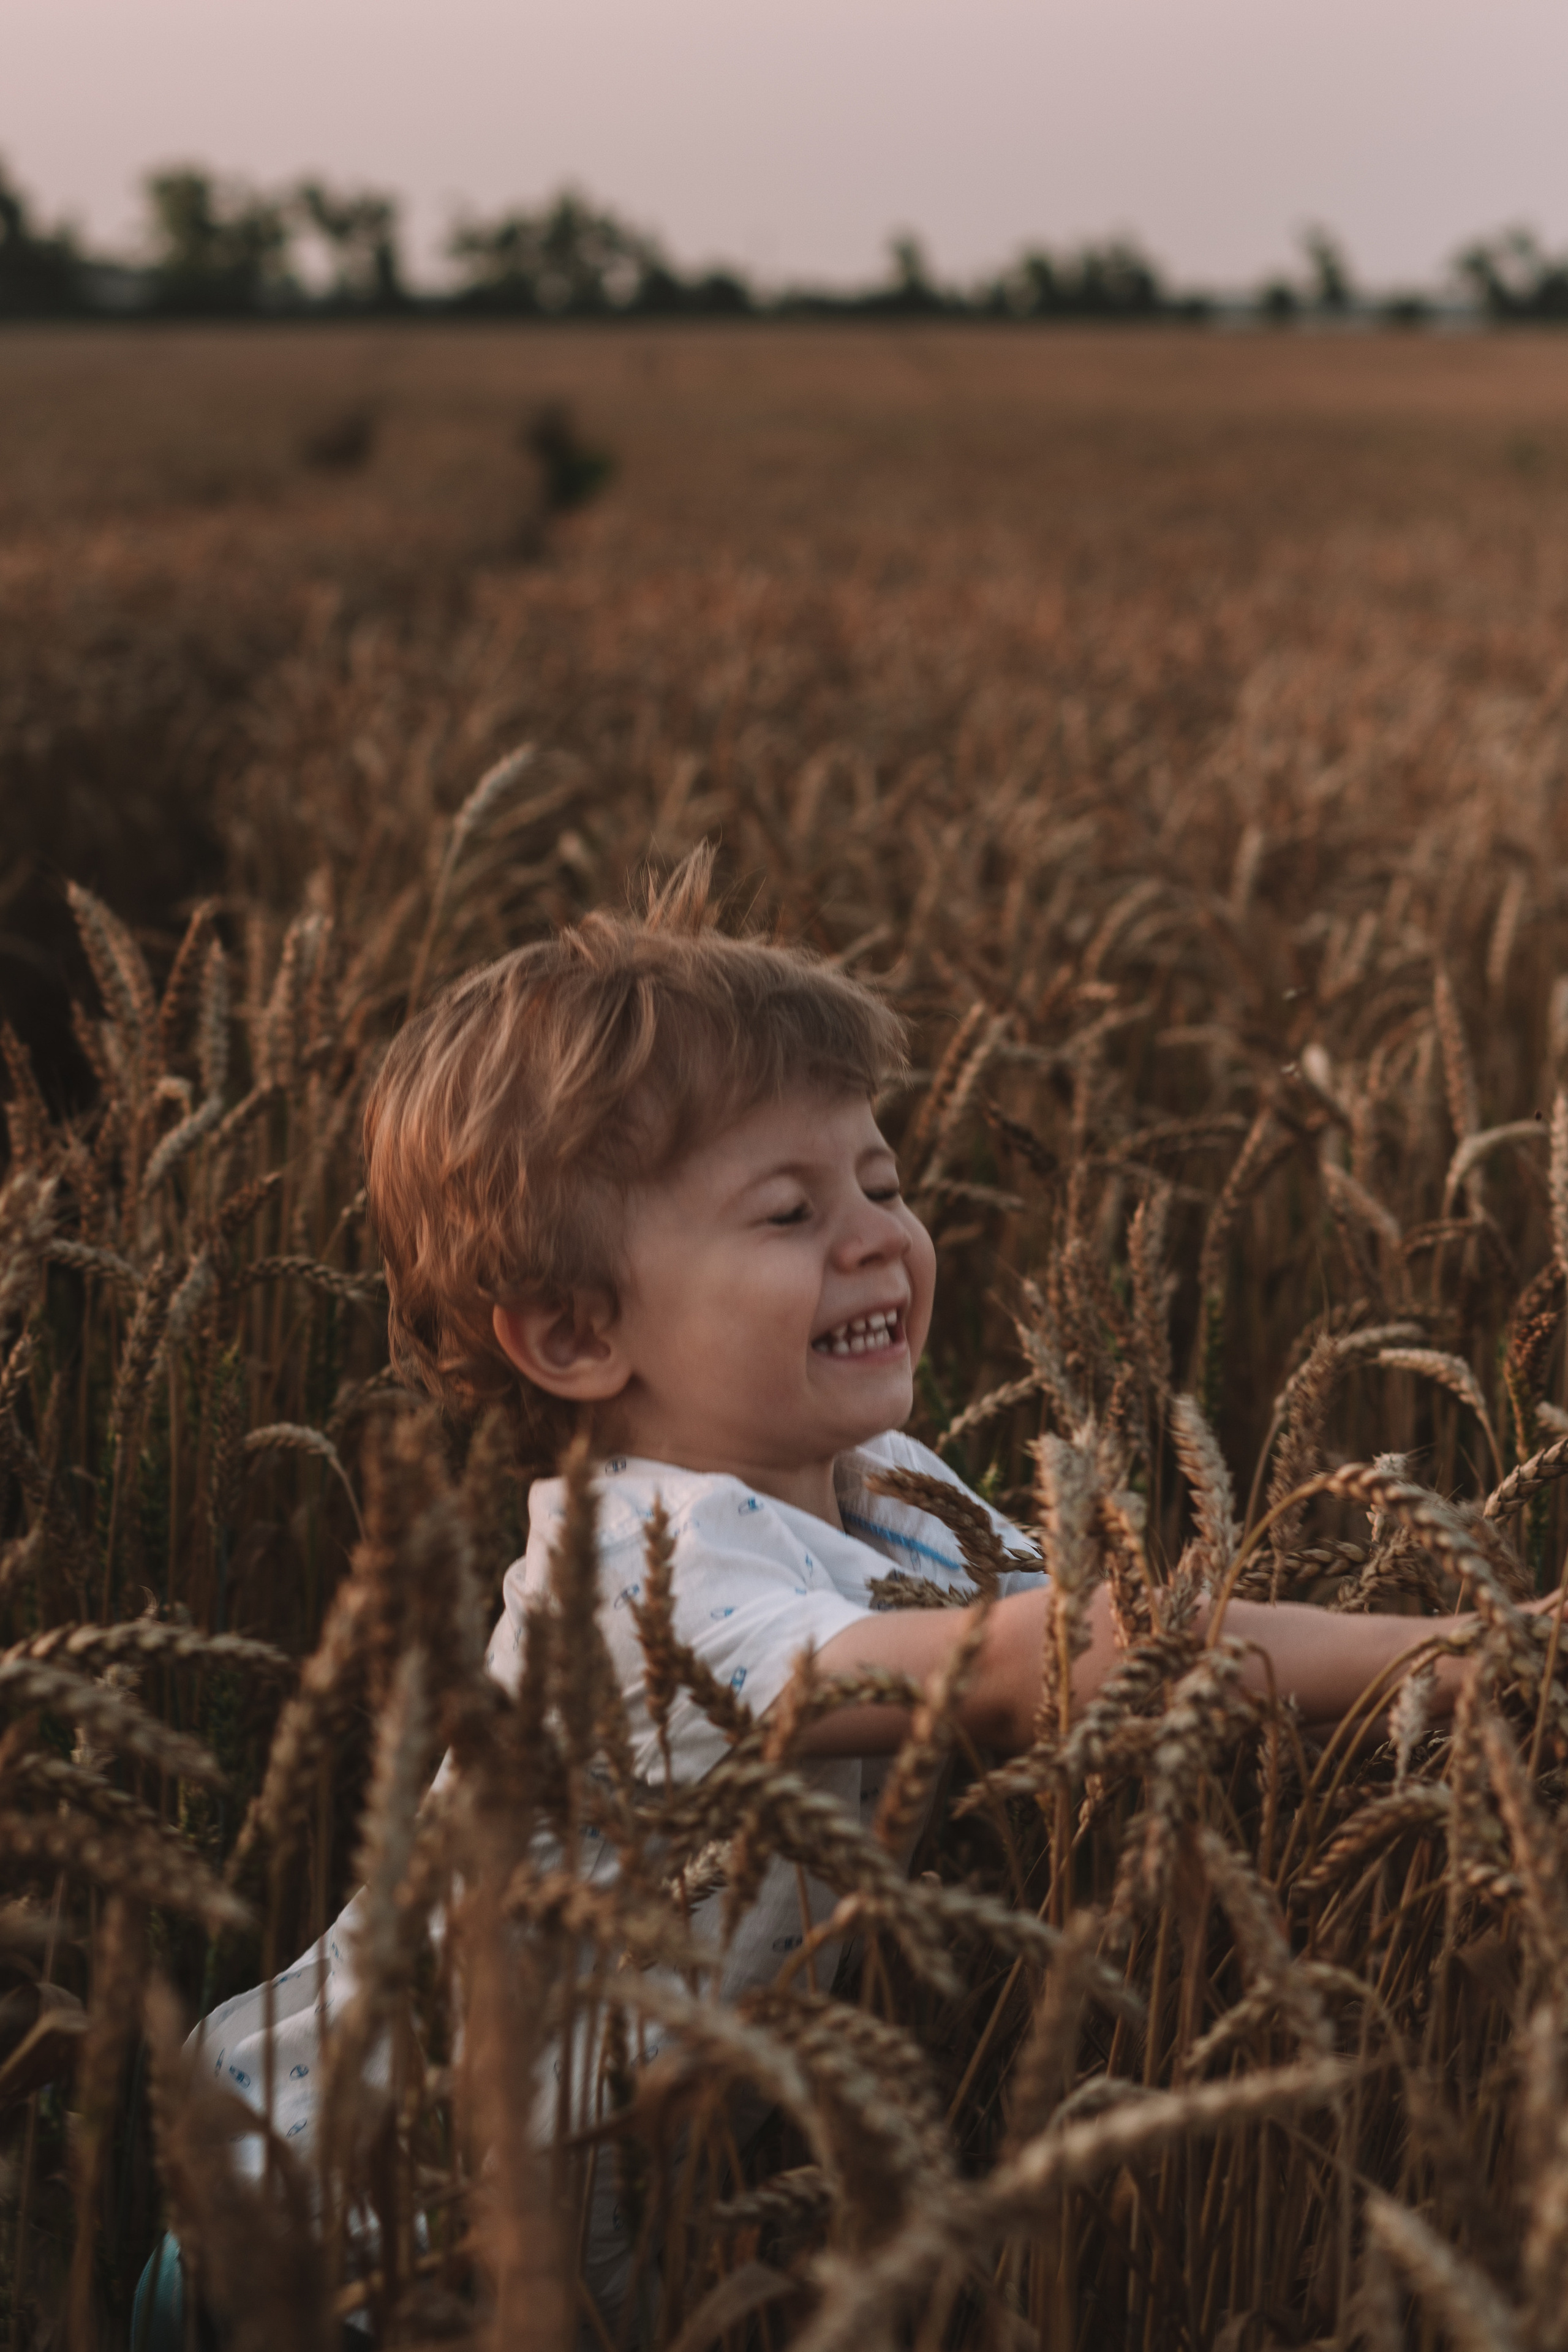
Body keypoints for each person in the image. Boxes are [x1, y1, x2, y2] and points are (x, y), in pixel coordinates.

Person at [143, 851, 1472, 2341]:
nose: (876, 1236)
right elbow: (1063, 1654)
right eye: (786, 1213)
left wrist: (1399, 1674)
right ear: (576, 1333)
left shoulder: (887, 1476)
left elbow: (1119, 1630)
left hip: (597, 2215)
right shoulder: (634, 1585)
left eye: (882, 1181)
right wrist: (1445, 1651)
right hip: (350, 2251)